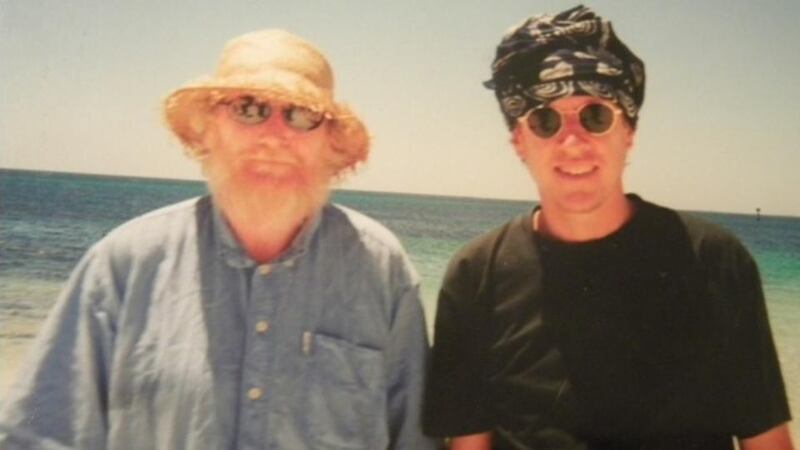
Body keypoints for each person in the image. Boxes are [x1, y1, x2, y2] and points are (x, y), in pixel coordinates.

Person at [0, 29, 437, 450]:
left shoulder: (382, 269)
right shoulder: (124, 264)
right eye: (249, 108)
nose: (274, 135)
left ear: (328, 143)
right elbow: (40, 436)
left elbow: (415, 440)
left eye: (302, 114)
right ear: (209, 128)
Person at [422, 6, 793, 450]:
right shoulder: (475, 276)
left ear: (629, 132)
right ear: (519, 141)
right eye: (545, 120)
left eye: (596, 116)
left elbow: (767, 441)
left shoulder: (714, 261)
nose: (573, 142)